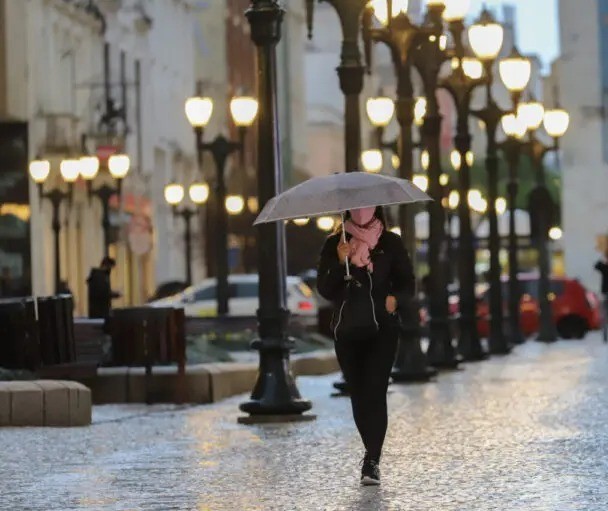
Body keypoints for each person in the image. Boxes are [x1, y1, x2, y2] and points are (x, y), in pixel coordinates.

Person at [317, 206, 415, 486]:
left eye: (368, 206)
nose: (362, 212)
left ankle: (372, 461)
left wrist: (395, 298)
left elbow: (408, 282)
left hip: (382, 329)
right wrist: (339, 262)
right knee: (358, 393)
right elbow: (324, 289)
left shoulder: (390, 242)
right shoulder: (335, 243)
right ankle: (370, 453)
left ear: (377, 208)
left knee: (375, 389)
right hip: (348, 330)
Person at [594, 247, 608, 341]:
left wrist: (603, 258)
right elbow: (597, 266)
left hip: (605, 292)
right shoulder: (604, 267)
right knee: (604, 314)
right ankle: (605, 335)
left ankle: (605, 335)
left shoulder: (604, 267)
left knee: (605, 314)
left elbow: (597, 265)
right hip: (605, 293)